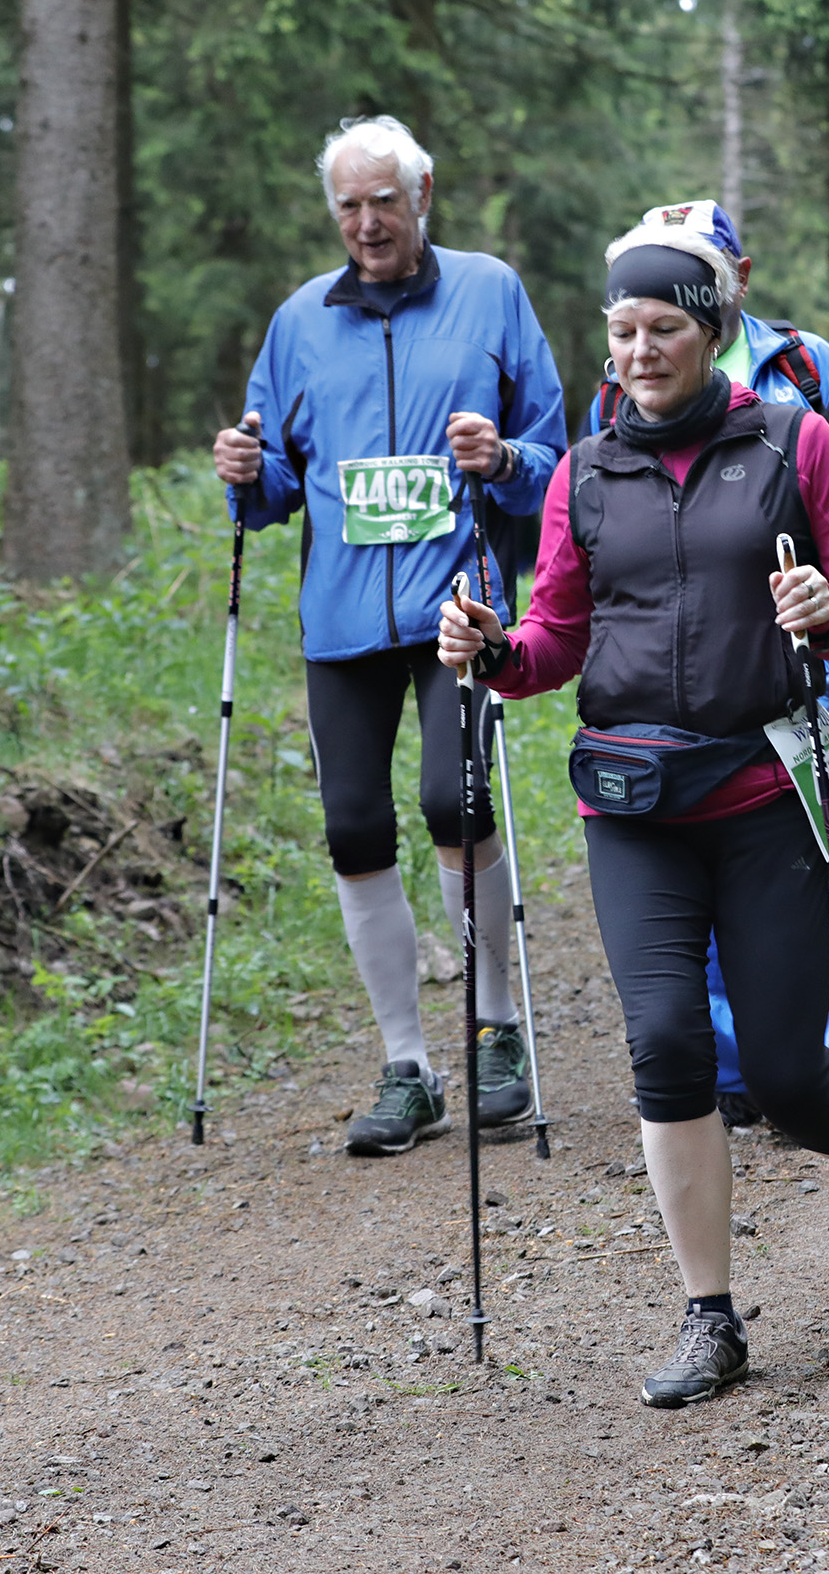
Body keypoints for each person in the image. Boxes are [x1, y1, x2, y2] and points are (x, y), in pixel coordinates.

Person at [439, 221, 829, 1406]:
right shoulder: (583, 473)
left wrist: (828, 612)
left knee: (787, 1073)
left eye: (664, 327)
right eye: (623, 331)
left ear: (712, 331)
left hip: (763, 796)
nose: (641, 350)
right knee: (665, 1045)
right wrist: (493, 652)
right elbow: (557, 636)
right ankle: (710, 1317)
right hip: (630, 804)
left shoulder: (792, 443)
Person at [211, 116, 568, 1159]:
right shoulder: (298, 321)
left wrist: (504, 457)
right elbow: (274, 486)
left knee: (455, 800)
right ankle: (408, 1065)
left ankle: (496, 1029)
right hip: (342, 620)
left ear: (423, 196)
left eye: (384, 201)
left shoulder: (490, 292)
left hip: (458, 607)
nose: (367, 223)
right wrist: (245, 474)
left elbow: (558, 457)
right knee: (354, 826)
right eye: (349, 206)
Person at [584, 199, 829, 1134]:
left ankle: (793, 1053)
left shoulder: (807, 371)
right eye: (626, 327)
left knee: (773, 847)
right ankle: (728, 1067)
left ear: (734, 281)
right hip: (656, 701)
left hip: (797, 649)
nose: (643, 345)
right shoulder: (621, 389)